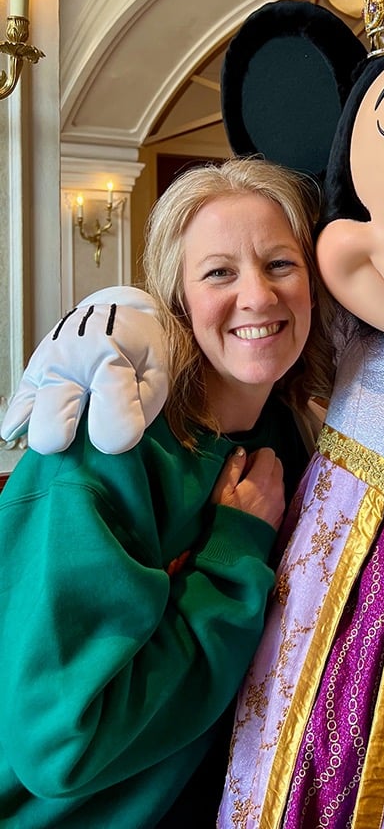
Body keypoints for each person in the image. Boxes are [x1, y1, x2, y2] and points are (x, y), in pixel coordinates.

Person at [0, 156, 333, 828]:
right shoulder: (103, 447)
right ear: (176, 298)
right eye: (219, 272)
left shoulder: (294, 436)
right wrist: (233, 552)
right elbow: (65, 747)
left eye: (279, 265)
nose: (259, 297)